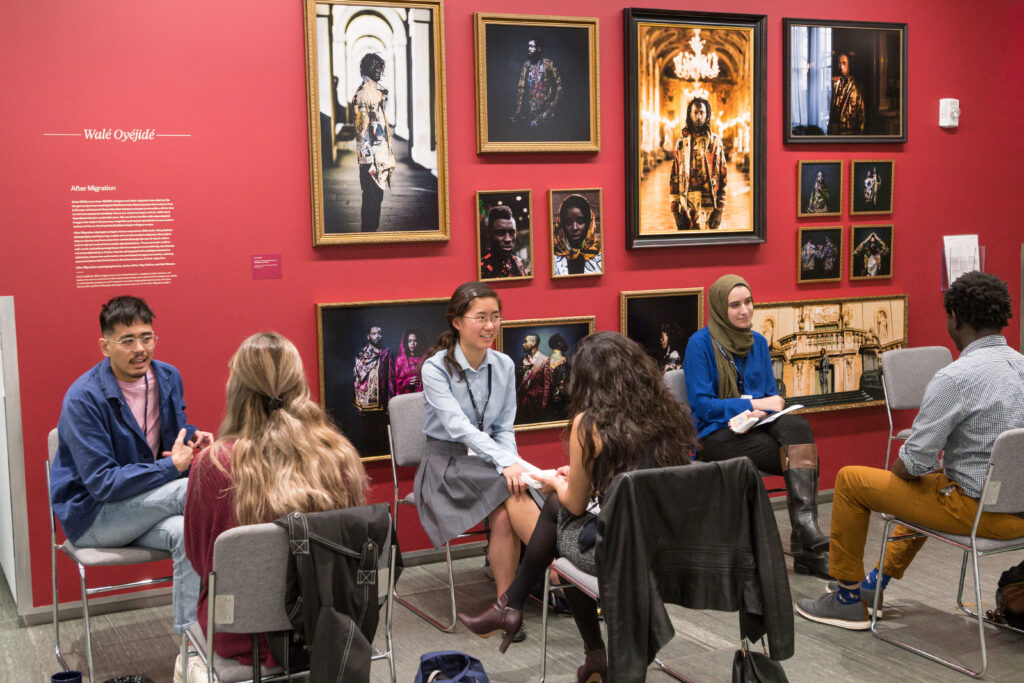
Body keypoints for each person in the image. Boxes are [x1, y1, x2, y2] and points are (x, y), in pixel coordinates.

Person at [457, 331, 697, 681]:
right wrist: (589, 474)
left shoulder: (590, 423)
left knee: (558, 518)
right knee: (561, 521)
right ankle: (526, 617)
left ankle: (512, 608)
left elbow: (575, 501)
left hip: (622, 554)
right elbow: (637, 480)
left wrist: (556, 481)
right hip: (670, 546)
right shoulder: (667, 413)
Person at [796, 271, 1024, 629]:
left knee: (852, 481)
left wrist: (906, 475)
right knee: (931, 483)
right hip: (1018, 516)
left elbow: (913, 462)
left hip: (978, 513)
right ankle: (874, 584)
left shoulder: (956, 378)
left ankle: (846, 598)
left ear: (956, 318)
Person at [184, 332, 368, 666]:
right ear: (300, 384)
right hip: (328, 625)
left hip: (240, 632)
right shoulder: (340, 455)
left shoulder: (214, 464)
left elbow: (202, 562)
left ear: (237, 389)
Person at [49, 295, 212, 633]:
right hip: (94, 517)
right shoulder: (83, 398)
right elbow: (103, 483)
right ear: (105, 346)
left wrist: (192, 437)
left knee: (187, 532)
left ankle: (192, 646)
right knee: (195, 490)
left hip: (142, 507)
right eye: (127, 340)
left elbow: (170, 434)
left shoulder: (167, 377)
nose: (140, 348)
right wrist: (173, 468)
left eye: (146, 337)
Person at [414, 282, 542, 641]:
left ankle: (507, 606)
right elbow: (459, 429)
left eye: (496, 317)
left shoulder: (503, 364)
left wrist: (510, 462)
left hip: (489, 465)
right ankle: (567, 571)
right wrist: (509, 465)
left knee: (507, 505)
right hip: (446, 465)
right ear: (456, 322)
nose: (490, 326)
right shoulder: (435, 368)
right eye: (480, 318)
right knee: (515, 485)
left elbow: (504, 427)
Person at [683, 275, 831, 578]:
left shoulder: (759, 343)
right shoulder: (699, 345)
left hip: (757, 427)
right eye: (735, 305)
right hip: (715, 435)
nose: (744, 310)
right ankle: (807, 549)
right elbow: (703, 405)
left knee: (799, 429)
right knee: (801, 457)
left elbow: (770, 398)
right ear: (720, 309)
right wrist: (753, 405)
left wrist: (762, 409)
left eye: (748, 302)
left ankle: (805, 525)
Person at [352, 52, 395, 232]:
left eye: (380, 65)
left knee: (376, 199)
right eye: (373, 65)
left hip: (380, 156)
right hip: (371, 160)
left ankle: (370, 235)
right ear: (366, 68)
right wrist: (370, 162)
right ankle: (367, 238)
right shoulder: (364, 94)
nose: (378, 69)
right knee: (371, 201)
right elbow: (362, 132)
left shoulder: (375, 93)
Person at [670, 97, 728, 231]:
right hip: (686, 206)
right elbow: (674, 177)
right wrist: (675, 210)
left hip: (710, 205)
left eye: (702, 112)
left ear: (707, 115)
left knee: (712, 248)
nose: (698, 116)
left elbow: (723, 177)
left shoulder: (715, 142)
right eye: (695, 112)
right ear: (690, 115)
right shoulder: (681, 142)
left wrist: (720, 210)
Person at [354, 325, 395, 454]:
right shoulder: (361, 355)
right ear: (368, 336)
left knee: (382, 437)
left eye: (379, 333)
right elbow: (356, 379)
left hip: (381, 403)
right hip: (365, 403)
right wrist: (358, 402)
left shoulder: (386, 353)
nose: (377, 335)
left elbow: (391, 378)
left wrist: (390, 401)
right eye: (374, 333)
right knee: (368, 437)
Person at [511, 37, 562, 129]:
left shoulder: (549, 64)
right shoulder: (526, 65)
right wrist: (519, 108)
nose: (529, 49)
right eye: (528, 46)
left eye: (531, 46)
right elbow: (521, 88)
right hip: (531, 111)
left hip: (546, 110)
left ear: (539, 49)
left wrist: (552, 108)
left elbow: (559, 87)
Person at [553, 194, 602, 276]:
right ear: (561, 225)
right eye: (568, 222)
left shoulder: (600, 258)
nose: (575, 228)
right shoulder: (552, 259)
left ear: (589, 224)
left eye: (580, 221)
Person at [479, 205, 526, 279]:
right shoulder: (481, 267)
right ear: (489, 234)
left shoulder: (518, 262)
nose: (508, 239)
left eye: (511, 232)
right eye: (500, 233)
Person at [828, 53, 865, 135]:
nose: (841, 66)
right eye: (839, 63)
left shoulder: (856, 87)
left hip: (850, 131)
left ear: (849, 65)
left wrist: (860, 133)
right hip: (836, 131)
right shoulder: (835, 84)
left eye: (844, 63)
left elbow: (861, 113)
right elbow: (832, 109)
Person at [517, 334, 550, 422]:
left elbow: (547, 384)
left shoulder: (545, 360)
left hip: (537, 404)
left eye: (525, 341)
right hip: (523, 403)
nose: (523, 344)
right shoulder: (522, 360)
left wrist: (544, 404)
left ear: (533, 343)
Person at [395, 328, 427, 395]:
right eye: (409, 341)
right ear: (406, 343)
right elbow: (395, 383)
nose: (412, 343)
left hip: (421, 396)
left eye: (415, 341)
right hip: (405, 397)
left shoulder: (424, 359)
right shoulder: (400, 361)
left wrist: (420, 381)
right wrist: (407, 382)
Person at [547, 333, 570, 417]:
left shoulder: (548, 360)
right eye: (564, 341)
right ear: (560, 344)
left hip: (551, 397)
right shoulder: (563, 360)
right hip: (562, 398)